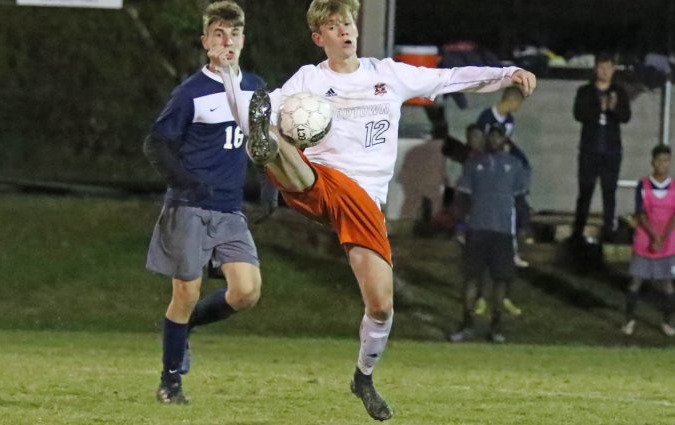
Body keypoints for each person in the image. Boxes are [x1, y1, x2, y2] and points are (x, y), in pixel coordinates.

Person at [216, 0, 536, 420]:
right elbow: (245, 112)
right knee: (272, 134)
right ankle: (269, 149)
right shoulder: (308, 79)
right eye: (333, 26)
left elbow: (450, 78)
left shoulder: (387, 74)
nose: (345, 30)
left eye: (347, 22)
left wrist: (505, 73)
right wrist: (228, 74)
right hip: (321, 180)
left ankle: (363, 377)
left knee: (381, 305)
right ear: (320, 38)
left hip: (365, 202)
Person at [142, 1, 275, 405]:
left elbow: (264, 144)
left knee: (247, 292)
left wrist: (271, 189)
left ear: (243, 40)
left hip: (229, 210)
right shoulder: (191, 92)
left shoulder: (256, 87)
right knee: (185, 293)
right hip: (189, 207)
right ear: (206, 42)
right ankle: (170, 383)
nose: (227, 41)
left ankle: (187, 328)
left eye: (234, 34)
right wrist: (186, 183)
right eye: (218, 33)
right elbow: (156, 142)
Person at [447, 124, 529, 344]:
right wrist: (460, 226)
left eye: (499, 136)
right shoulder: (474, 164)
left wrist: (523, 227)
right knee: (472, 278)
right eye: (491, 135)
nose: (494, 139)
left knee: (501, 280)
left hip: (502, 231)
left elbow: (520, 200)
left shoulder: (515, 165)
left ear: (506, 140)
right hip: (477, 228)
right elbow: (463, 197)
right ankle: (467, 323)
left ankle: (496, 326)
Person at [571, 53, 632, 242]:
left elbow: (626, 117)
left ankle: (609, 231)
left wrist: (613, 108)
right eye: (601, 67)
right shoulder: (585, 91)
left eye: (608, 67)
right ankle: (578, 232)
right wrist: (600, 107)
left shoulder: (619, 91)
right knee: (585, 192)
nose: (605, 71)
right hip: (589, 149)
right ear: (595, 68)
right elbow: (579, 114)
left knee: (609, 192)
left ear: (613, 69)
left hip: (611, 151)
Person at [621, 144, 675, 337]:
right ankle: (629, 320)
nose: (663, 164)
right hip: (646, 239)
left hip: (667, 242)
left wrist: (663, 237)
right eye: (660, 160)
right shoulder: (643, 185)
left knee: (667, 283)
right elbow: (640, 212)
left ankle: (667, 322)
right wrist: (653, 236)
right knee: (636, 281)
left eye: (667, 160)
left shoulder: (674, 186)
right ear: (653, 162)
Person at [477, 86, 531, 270]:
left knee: (511, 214)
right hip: (489, 173)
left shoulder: (509, 120)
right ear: (511, 100)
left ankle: (511, 252)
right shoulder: (486, 118)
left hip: (503, 173)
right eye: (518, 103)